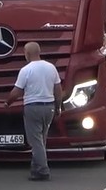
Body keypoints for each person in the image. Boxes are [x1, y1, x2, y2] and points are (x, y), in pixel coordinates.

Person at [4, 42, 62, 181]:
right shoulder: (51, 68)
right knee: (42, 139)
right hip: (49, 106)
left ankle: (43, 170)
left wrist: (8, 102)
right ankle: (35, 168)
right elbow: (58, 89)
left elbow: (17, 91)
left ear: (27, 53)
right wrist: (58, 107)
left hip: (33, 107)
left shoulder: (26, 70)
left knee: (35, 140)